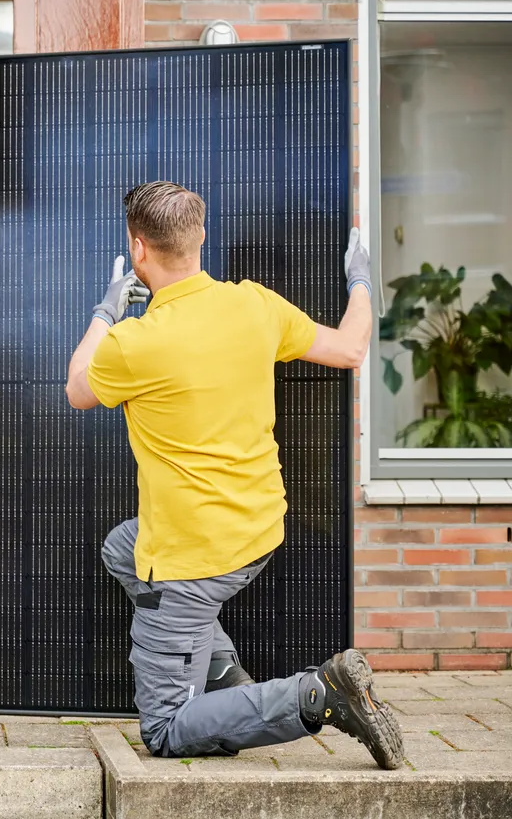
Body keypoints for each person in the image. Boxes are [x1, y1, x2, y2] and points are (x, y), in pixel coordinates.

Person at [65, 181, 404, 769]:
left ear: (138, 250)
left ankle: (318, 696)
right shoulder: (255, 305)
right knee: (122, 546)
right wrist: (361, 280)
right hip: (257, 531)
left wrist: (106, 309)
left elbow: (76, 389)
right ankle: (224, 674)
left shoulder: (131, 342)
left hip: (189, 560)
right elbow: (350, 349)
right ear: (200, 237)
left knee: (165, 730)